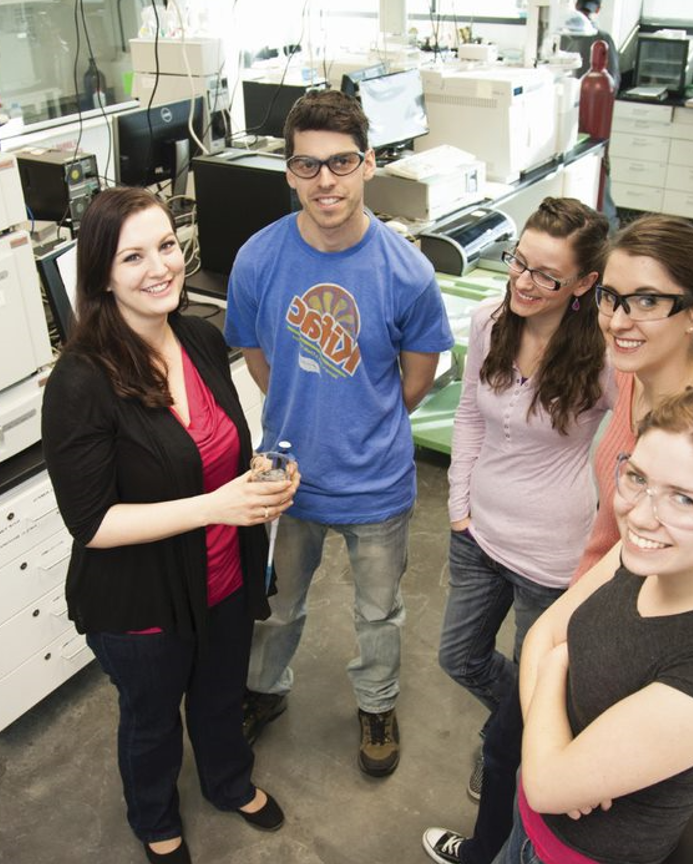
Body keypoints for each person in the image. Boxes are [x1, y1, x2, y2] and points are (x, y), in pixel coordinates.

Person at [422, 216, 693, 864]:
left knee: (516, 757)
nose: (619, 318)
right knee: (512, 754)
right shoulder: (628, 373)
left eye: (647, 300)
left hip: (619, 648)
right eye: (612, 297)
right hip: (588, 607)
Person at [41, 188, 298, 864]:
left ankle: (228, 782)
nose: (160, 267)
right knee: (151, 722)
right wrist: (217, 505)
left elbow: (214, 453)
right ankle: (154, 818)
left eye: (165, 246)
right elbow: (91, 523)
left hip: (223, 576)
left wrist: (262, 477)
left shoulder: (200, 339)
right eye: (133, 256)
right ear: (100, 275)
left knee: (219, 697)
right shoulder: (80, 381)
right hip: (141, 602)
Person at [224, 89, 454, 776]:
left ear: (367, 165)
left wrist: (361, 418)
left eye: (341, 162)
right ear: (290, 172)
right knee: (277, 605)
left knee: (379, 613)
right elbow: (257, 356)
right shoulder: (258, 260)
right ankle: (264, 692)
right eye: (308, 164)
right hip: (286, 480)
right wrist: (302, 410)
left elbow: (417, 376)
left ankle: (376, 704)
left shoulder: (406, 271)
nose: (325, 180)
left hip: (376, 482)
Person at [505, 387, 693, 864]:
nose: (638, 514)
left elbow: (548, 786)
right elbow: (539, 635)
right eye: (637, 477)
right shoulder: (649, 553)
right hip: (530, 825)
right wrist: (551, 759)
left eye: (683, 499)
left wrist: (555, 667)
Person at [439, 198, 612, 803]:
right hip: (477, 534)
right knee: (459, 658)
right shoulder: (492, 319)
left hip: (552, 554)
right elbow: (468, 414)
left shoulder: (605, 355)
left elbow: (643, 435)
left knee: (540, 679)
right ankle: (514, 723)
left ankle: (512, 745)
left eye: (547, 276)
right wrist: (459, 506)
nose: (525, 282)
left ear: (585, 284)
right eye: (520, 263)